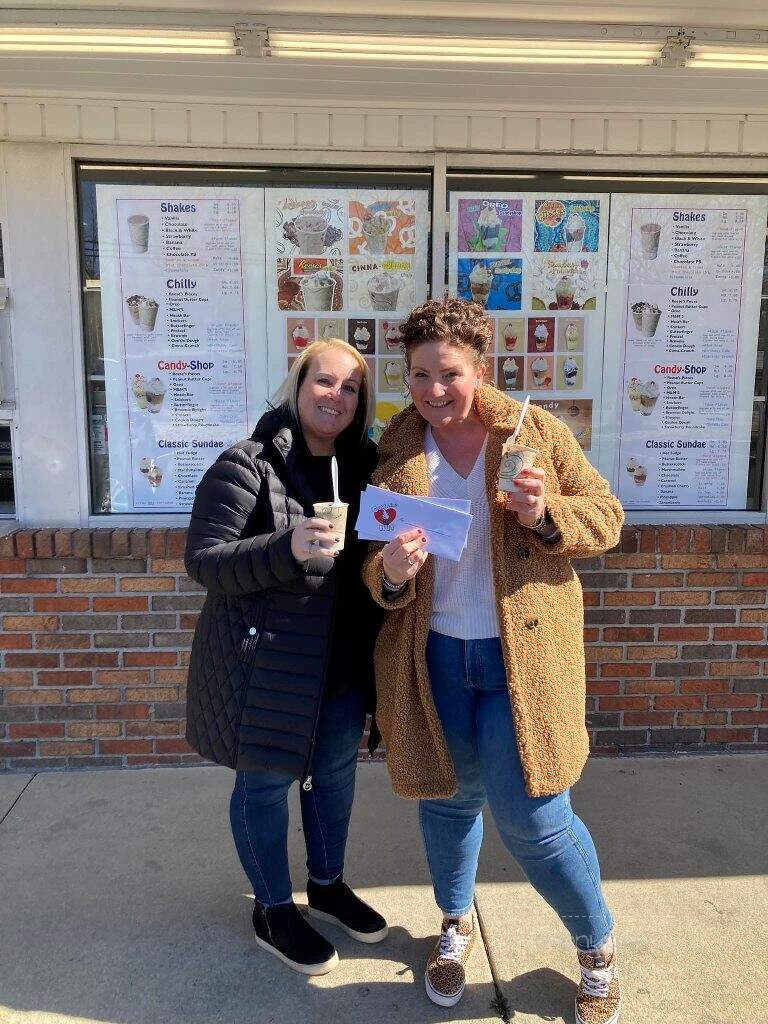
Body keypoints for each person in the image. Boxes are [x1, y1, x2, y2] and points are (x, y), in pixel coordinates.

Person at [362, 298, 625, 1024]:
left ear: (480, 367)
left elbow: (606, 519)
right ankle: (454, 922)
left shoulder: (534, 432)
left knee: (536, 820)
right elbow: (373, 566)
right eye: (419, 375)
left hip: (524, 662)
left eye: (448, 373)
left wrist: (545, 517)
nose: (434, 390)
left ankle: (596, 944)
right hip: (436, 657)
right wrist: (388, 573)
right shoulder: (396, 448)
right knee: (446, 800)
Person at [185, 338, 387, 976]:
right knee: (265, 786)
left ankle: (326, 885)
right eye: (324, 382)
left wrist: (399, 569)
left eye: (351, 388)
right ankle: (272, 909)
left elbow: (374, 562)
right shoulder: (248, 464)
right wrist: (286, 547)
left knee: (333, 778)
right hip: (268, 664)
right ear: (298, 387)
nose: (336, 396)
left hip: (342, 662)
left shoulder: (365, 467)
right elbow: (203, 561)